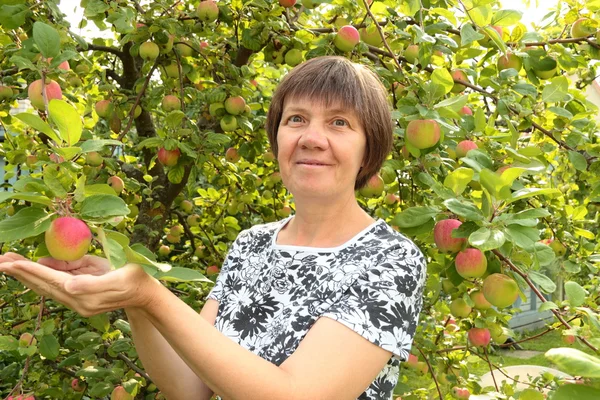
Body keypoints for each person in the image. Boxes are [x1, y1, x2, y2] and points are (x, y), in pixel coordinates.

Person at [0, 56, 427, 400]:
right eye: (296, 119)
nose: (312, 137)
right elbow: (191, 387)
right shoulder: (253, 245)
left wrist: (150, 293)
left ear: (370, 147)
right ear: (277, 136)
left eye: (339, 123)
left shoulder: (390, 260)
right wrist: (133, 301)